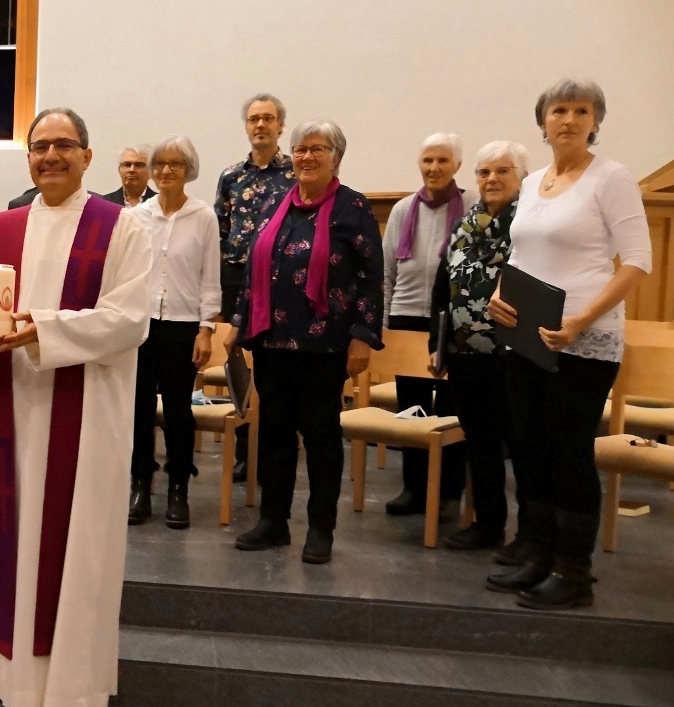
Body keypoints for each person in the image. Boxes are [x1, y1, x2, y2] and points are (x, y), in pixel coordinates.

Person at [0, 107, 151, 707]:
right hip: (11, 411)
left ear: (88, 156)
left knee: (76, 554)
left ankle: (69, 701)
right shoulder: (2, 228)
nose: (51, 156)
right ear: (28, 158)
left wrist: (40, 329)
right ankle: (15, 693)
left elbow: (129, 318)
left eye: (64, 146)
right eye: (40, 147)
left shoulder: (122, 228)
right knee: (8, 553)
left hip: (86, 420)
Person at [487, 79, 651, 610]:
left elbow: (637, 263)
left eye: (582, 110)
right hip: (527, 333)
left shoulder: (612, 178)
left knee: (567, 452)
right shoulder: (533, 182)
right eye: (560, 109)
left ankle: (573, 572)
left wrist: (581, 319)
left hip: (584, 338)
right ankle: (537, 554)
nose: (570, 119)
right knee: (529, 446)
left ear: (595, 121)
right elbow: (519, 254)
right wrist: (497, 294)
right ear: (543, 122)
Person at [225, 121, 383, 564]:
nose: (307, 157)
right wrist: (237, 323)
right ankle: (274, 522)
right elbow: (254, 267)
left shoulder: (353, 207)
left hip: (325, 345)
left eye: (318, 149)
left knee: (320, 437)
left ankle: (321, 528)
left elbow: (372, 280)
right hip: (271, 340)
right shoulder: (275, 202)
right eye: (300, 149)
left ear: (336, 157)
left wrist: (362, 338)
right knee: (273, 434)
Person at [428, 141, 529, 556]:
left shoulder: (531, 222)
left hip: (515, 354)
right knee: (480, 441)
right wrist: (438, 346)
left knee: (522, 444)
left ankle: (530, 537)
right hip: (465, 352)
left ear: (521, 176)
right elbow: (441, 287)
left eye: (502, 171)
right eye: (484, 172)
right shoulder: (464, 224)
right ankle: (487, 525)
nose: (491, 179)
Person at [128, 135, 220, 529]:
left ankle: (178, 487)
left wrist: (206, 329)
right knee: (138, 411)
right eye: (160, 163)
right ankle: (140, 486)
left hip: (183, 327)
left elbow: (210, 278)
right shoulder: (136, 216)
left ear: (188, 170)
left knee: (180, 412)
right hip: (140, 326)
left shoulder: (203, 216)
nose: (166, 170)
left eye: (176, 164)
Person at [382, 133, 475, 517]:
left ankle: (450, 491)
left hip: (452, 321)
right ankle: (414, 488)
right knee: (412, 409)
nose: (433, 168)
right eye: (427, 161)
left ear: (456, 165)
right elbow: (386, 272)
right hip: (406, 316)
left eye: (442, 161)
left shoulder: (473, 207)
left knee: (453, 411)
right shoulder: (404, 209)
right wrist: (385, 322)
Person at [215, 93, 295, 481]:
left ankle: (274, 452)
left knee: (273, 371)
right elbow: (221, 230)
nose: (260, 125)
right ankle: (247, 451)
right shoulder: (231, 176)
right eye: (253, 119)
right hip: (236, 279)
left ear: (281, 125)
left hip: (279, 283)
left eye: (268, 119)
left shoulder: (297, 173)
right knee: (240, 368)